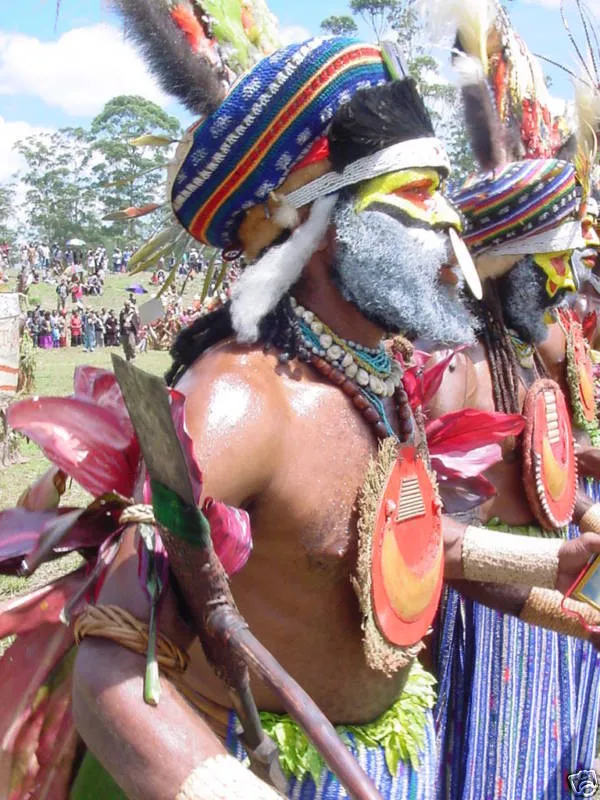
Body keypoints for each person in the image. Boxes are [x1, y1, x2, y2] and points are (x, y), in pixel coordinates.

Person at [67, 25, 600, 800]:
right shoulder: (236, 405)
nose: (450, 226)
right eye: (417, 194)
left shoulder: (378, 378)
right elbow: (108, 662)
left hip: (389, 763)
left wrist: (553, 571)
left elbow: (387, 538)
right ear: (319, 223)